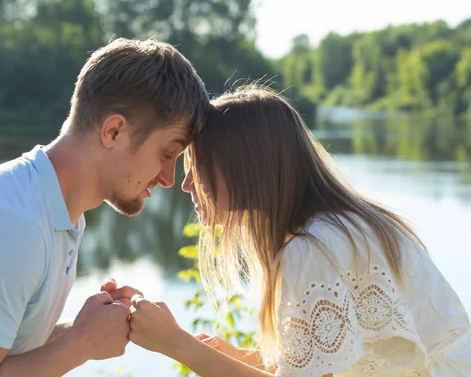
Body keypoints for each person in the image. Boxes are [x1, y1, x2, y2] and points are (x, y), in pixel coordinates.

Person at [0, 38, 210, 377]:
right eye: (167, 154)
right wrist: (81, 343)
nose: (168, 178)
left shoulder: (53, 212)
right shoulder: (11, 223)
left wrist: (84, 331)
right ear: (114, 131)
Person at [128, 84, 471, 376]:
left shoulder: (314, 247)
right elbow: (324, 362)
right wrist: (222, 353)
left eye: (198, 168)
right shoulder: (339, 227)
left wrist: (177, 345)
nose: (187, 185)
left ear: (245, 171)